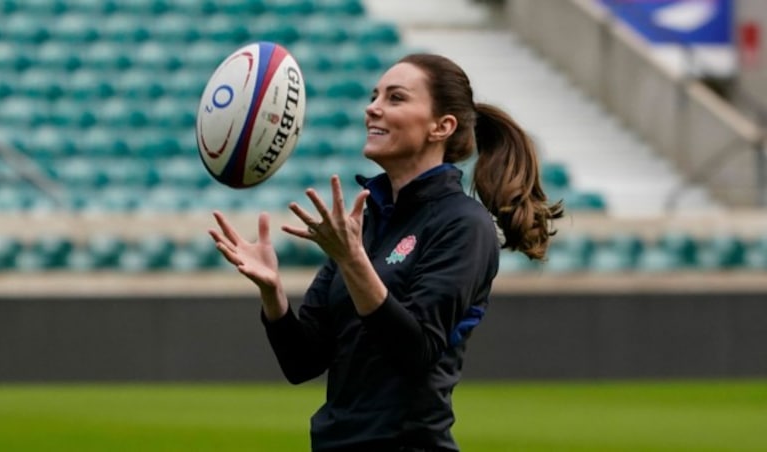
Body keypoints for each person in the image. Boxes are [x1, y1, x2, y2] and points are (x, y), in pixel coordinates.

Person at [208, 53, 564, 452]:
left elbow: (417, 351)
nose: (372, 107)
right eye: (375, 95)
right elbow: (302, 362)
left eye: (395, 98)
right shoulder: (367, 219)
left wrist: (353, 261)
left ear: (441, 127)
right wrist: (272, 294)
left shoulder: (464, 224)